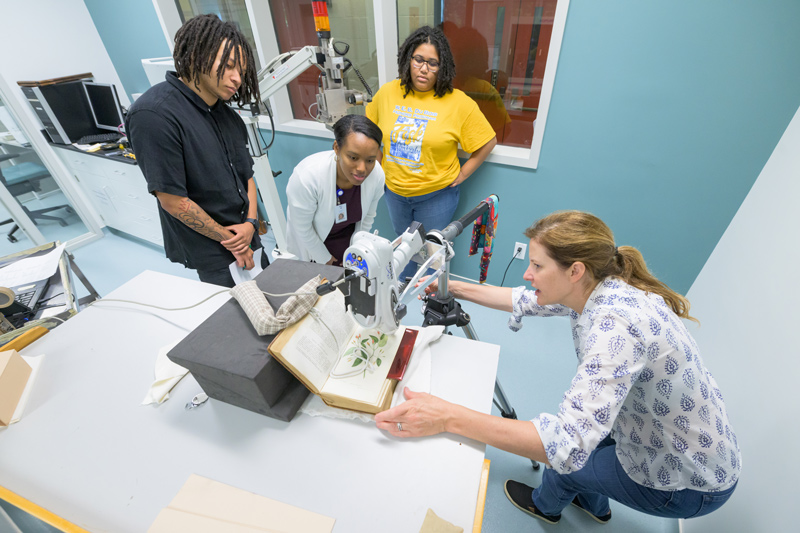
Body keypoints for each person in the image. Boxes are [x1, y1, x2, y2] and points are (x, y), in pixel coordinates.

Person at [375, 211, 740, 524]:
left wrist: (446, 416)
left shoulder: (616, 325)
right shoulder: (600, 284)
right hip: (673, 432)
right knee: (590, 461)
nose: (528, 274)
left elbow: (565, 444)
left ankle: (545, 507)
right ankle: (595, 504)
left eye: (537, 266)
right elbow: (522, 299)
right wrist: (450, 287)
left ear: (574, 271)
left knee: (568, 467)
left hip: (688, 479)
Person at [126, 14, 267, 288]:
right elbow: (172, 200)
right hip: (213, 248)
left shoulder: (227, 116)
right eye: (227, 66)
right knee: (238, 323)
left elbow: (246, 176)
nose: (237, 78)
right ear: (195, 57)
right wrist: (232, 241)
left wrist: (250, 223)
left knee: (274, 298)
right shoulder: (154, 115)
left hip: (247, 234)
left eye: (242, 70)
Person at [366, 25, 497, 280]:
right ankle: (402, 293)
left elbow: (487, 141)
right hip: (394, 193)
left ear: (442, 67)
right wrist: (379, 168)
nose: (424, 68)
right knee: (403, 248)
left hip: (435, 197)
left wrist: (462, 174)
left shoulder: (458, 103)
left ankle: (425, 298)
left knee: (429, 255)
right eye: (418, 60)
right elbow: (371, 133)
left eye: (433, 63)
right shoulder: (388, 93)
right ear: (408, 59)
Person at [285, 115, 384, 266]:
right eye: (353, 157)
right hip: (313, 247)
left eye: (370, 160)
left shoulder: (376, 174)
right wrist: (324, 258)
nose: (362, 169)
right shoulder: (307, 177)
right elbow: (302, 228)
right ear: (337, 148)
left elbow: (367, 218)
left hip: (348, 246)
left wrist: (356, 251)